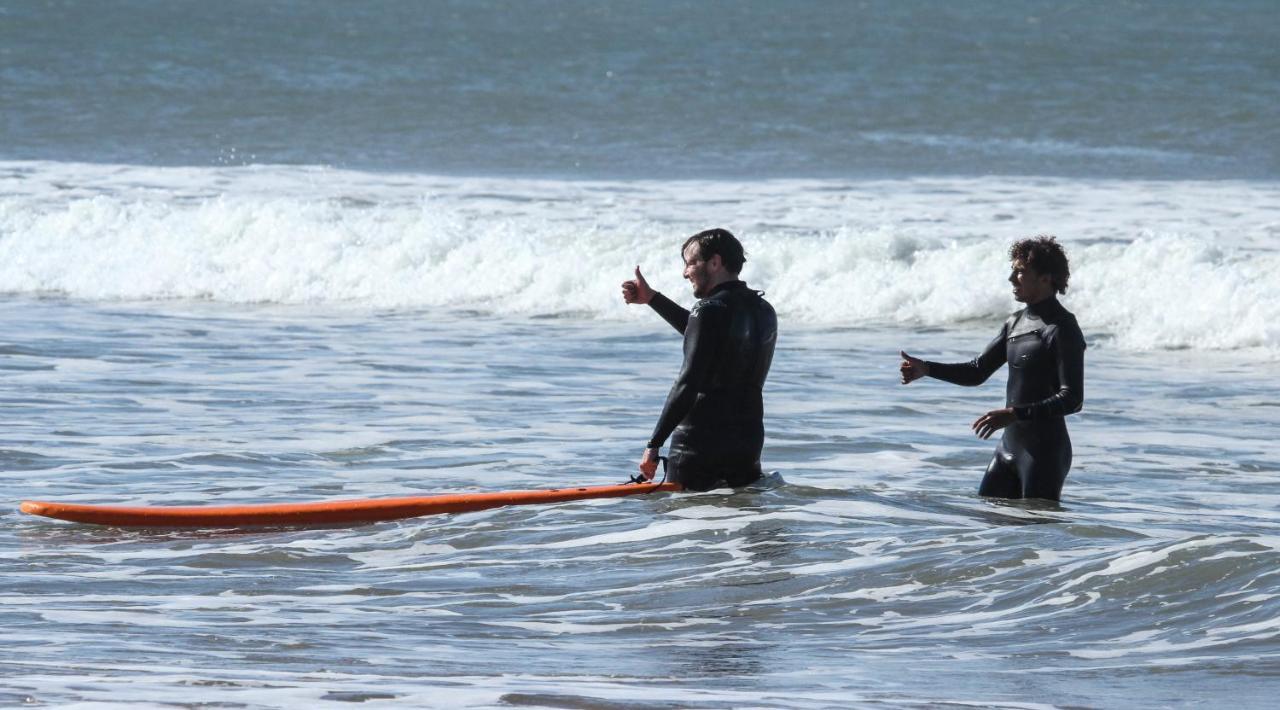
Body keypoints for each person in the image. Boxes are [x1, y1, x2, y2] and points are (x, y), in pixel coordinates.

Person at [899, 236, 1085, 501]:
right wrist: (927, 369)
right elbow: (977, 371)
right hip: (1007, 448)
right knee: (988, 530)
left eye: (1020, 271)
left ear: (1046, 278)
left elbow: (1073, 399)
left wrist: (1016, 414)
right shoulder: (1014, 323)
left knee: (1038, 535)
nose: (1012, 278)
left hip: (1044, 454)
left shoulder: (1061, 328)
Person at [621, 228, 777, 491]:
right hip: (747, 445)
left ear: (714, 262)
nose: (685, 272)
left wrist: (653, 444)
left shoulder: (707, 310)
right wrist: (652, 299)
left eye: (691, 262)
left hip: (699, 446)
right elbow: (708, 337)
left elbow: (688, 382)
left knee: (683, 526)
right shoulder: (763, 309)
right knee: (743, 521)